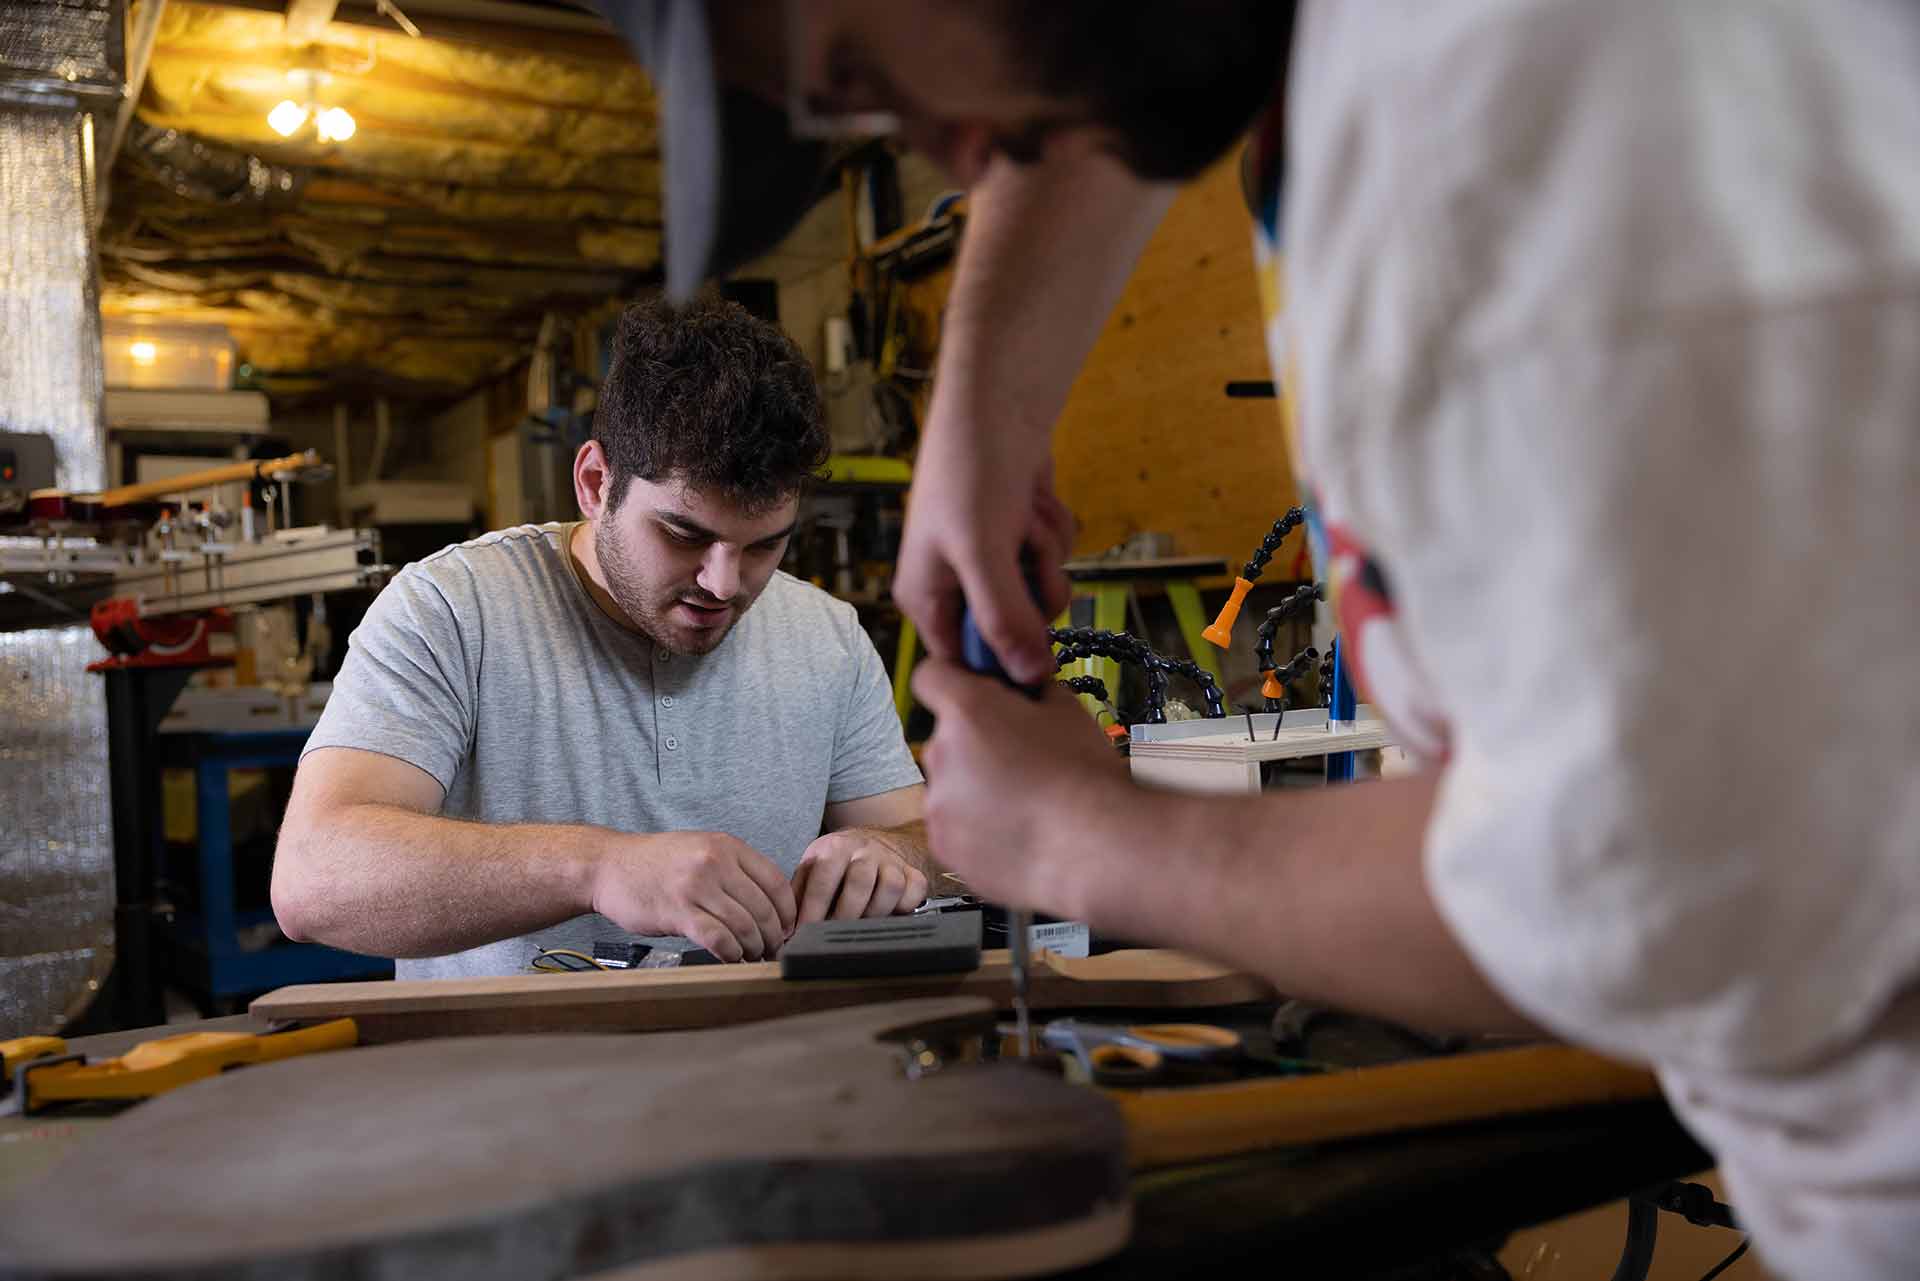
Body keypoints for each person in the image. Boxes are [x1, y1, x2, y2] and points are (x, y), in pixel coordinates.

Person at [611, 2, 1920, 1277]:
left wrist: (1097, 837)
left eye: (858, 77)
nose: (952, 155)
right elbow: (1082, 71)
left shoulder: (1524, 97)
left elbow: (1666, 872)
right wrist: (985, 418)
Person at [272, 297, 932, 975]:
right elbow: (311, 879)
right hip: (506, 1073)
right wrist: (598, 866)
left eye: (765, 546)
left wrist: (895, 855)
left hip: (758, 1067)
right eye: (684, 535)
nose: (725, 583)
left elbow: (920, 833)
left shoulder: (827, 637)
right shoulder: (452, 608)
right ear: (595, 482)